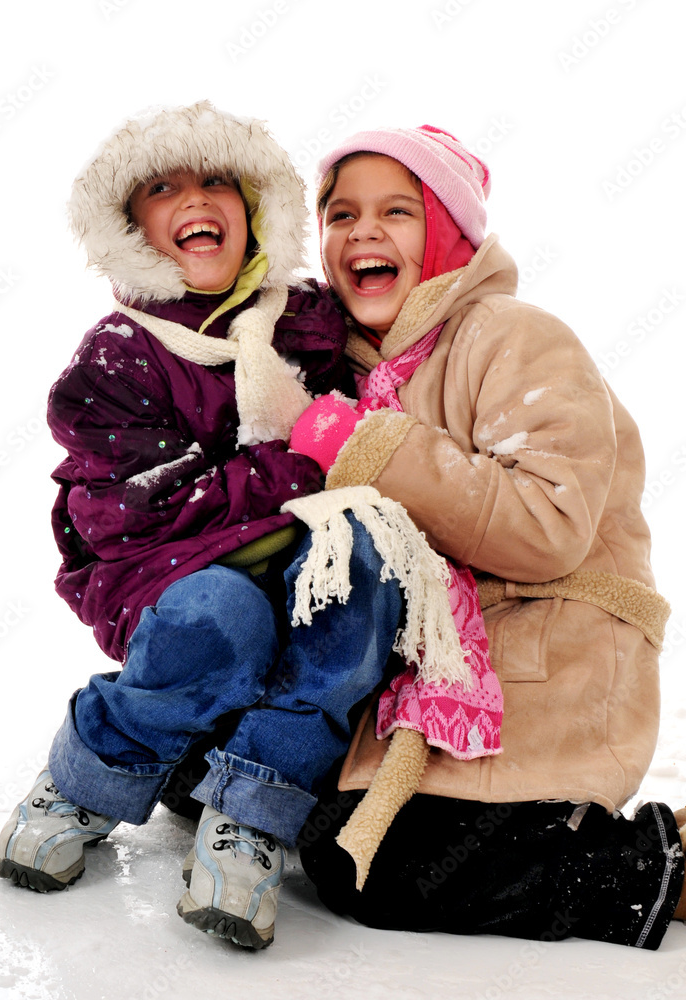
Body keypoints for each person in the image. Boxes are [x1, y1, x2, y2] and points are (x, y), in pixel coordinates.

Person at [0, 100, 414, 951]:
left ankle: (252, 809)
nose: (196, 199)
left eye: (218, 180)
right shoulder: (118, 356)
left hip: (293, 555)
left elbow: (369, 408)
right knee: (222, 616)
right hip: (160, 564)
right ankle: (88, 779)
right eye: (163, 188)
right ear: (130, 228)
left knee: (364, 570)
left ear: (254, 208)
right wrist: (303, 460)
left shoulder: (306, 324)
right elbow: (146, 506)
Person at [288, 123, 686, 950]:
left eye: (397, 211)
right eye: (341, 214)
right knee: (306, 824)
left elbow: (548, 526)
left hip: (549, 653)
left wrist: (373, 449)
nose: (363, 231)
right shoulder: (351, 373)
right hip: (423, 669)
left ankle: (657, 865)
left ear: (447, 232)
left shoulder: (511, 335)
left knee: (381, 865)